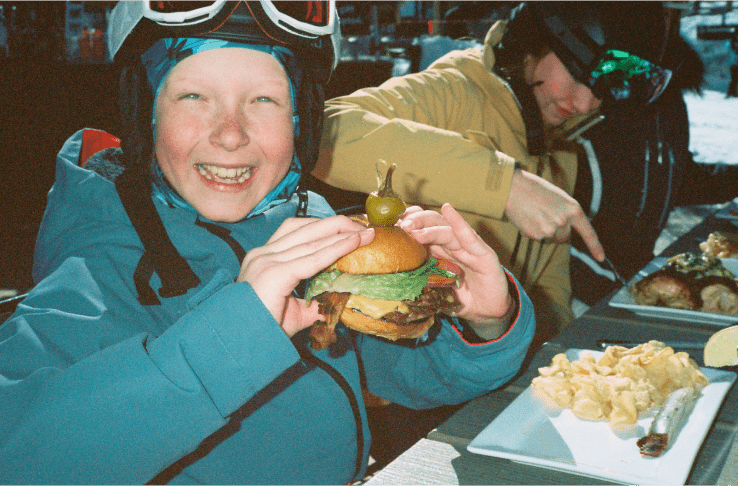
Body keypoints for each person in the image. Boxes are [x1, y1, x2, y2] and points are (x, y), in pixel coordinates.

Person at [0, 2, 535, 485]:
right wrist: (232, 338)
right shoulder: (99, 268)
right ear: (147, 115)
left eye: (264, 99)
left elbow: (400, 368)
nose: (231, 133)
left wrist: (480, 323)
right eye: (193, 96)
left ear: (301, 121)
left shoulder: (303, 225)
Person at [311, 1, 672, 345]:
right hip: (410, 357)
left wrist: (550, 355)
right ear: (536, 43)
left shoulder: (559, 147)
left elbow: (550, 291)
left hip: (493, 359)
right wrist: (504, 185)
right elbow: (327, 132)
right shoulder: (454, 91)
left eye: (602, 91)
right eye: (577, 73)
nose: (583, 103)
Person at [570, 6, 738, 308]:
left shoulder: (667, 95)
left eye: (673, 15)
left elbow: (673, 180)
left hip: (634, 283)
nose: (665, 23)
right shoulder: (595, 86)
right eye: (659, 12)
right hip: (577, 295)